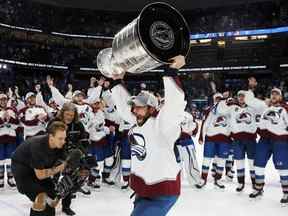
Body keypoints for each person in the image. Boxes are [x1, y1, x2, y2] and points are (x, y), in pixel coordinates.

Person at [109, 55, 186, 216]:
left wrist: (170, 72)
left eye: (140, 107)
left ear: (151, 109)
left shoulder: (162, 125)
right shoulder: (137, 121)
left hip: (162, 190)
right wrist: (117, 81)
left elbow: (174, 105)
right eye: (135, 107)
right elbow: (123, 107)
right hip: (143, 188)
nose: (135, 110)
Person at [11, 121, 68, 216]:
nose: (63, 141)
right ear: (51, 137)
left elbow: (64, 162)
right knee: (41, 196)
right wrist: (61, 167)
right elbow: (40, 175)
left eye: (64, 138)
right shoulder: (38, 146)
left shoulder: (60, 145)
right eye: (60, 138)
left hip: (38, 167)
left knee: (52, 193)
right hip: (22, 168)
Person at [245, 88, 288, 204]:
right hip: (264, 140)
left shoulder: (285, 109)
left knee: (282, 167)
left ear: (281, 97)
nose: (274, 96)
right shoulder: (265, 108)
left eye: (276, 94)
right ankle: (258, 188)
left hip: (280, 140)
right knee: (258, 164)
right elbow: (250, 102)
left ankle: (286, 192)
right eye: (272, 94)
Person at [48, 102, 90, 215]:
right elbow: (47, 140)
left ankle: (66, 206)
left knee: (70, 181)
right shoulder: (54, 123)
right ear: (62, 113)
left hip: (72, 157)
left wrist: (83, 152)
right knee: (52, 180)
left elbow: (84, 140)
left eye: (72, 115)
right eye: (67, 114)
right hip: (55, 155)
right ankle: (49, 204)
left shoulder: (78, 124)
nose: (69, 117)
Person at [217, 90, 257, 192]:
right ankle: (240, 183)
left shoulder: (253, 108)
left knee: (252, 162)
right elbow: (220, 110)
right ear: (237, 97)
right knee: (239, 162)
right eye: (239, 96)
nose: (241, 98)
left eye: (243, 96)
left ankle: (255, 183)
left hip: (251, 139)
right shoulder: (232, 108)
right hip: (237, 140)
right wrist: (223, 99)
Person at [197, 93, 231, 189]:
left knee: (221, 160)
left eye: (220, 98)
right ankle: (203, 179)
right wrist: (201, 136)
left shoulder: (229, 109)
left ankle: (218, 180)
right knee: (206, 159)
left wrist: (232, 136)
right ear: (214, 99)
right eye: (217, 98)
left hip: (224, 138)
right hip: (211, 138)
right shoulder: (209, 110)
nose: (218, 100)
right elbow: (204, 123)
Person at [0, 93, 19, 188]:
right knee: (0, 159)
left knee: (9, 159)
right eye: (1, 100)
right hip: (0, 138)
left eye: (4, 100)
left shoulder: (12, 110)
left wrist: (10, 119)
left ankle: (11, 178)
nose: (3, 102)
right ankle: (1, 178)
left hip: (11, 137)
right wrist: (2, 119)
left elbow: (17, 123)